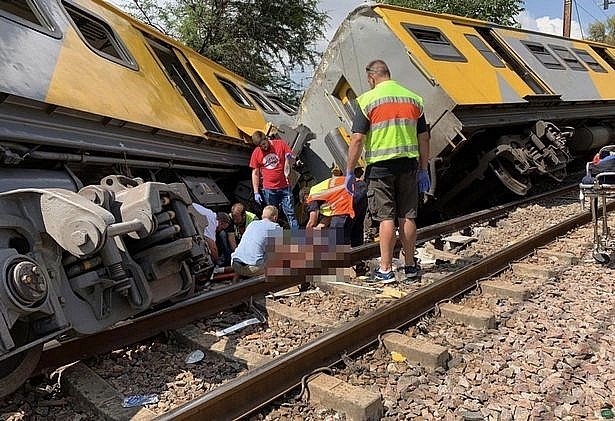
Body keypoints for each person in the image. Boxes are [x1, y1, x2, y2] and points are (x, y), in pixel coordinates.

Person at [345, 59, 431, 283]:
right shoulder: (413, 99)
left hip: (380, 169)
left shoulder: (366, 101)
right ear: (388, 73)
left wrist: (349, 171)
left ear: (371, 78)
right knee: (407, 215)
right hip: (409, 167)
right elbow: (424, 137)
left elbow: (357, 139)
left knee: (386, 218)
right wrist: (424, 168)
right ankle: (410, 266)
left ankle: (386, 269)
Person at [300, 173, 367, 247]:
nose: (309, 207)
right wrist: (318, 228)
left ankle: (340, 255)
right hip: (360, 188)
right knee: (355, 227)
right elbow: (328, 218)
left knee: (336, 235)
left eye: (307, 205)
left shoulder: (312, 195)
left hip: (347, 196)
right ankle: (358, 252)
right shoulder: (322, 191)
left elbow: (312, 222)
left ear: (306, 198)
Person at [250, 130, 299, 231]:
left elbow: (291, 158)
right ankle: (275, 238)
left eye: (264, 144)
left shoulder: (280, 144)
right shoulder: (256, 153)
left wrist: (290, 158)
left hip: (285, 187)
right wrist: (256, 192)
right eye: (260, 146)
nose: (263, 147)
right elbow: (255, 173)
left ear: (266, 139)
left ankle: (297, 237)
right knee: (271, 216)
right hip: (269, 190)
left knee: (290, 213)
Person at [231, 205, 283, 281]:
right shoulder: (275, 227)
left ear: (262, 216)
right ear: (275, 218)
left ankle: (235, 280)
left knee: (247, 251)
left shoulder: (252, 224)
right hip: (254, 269)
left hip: (235, 265)